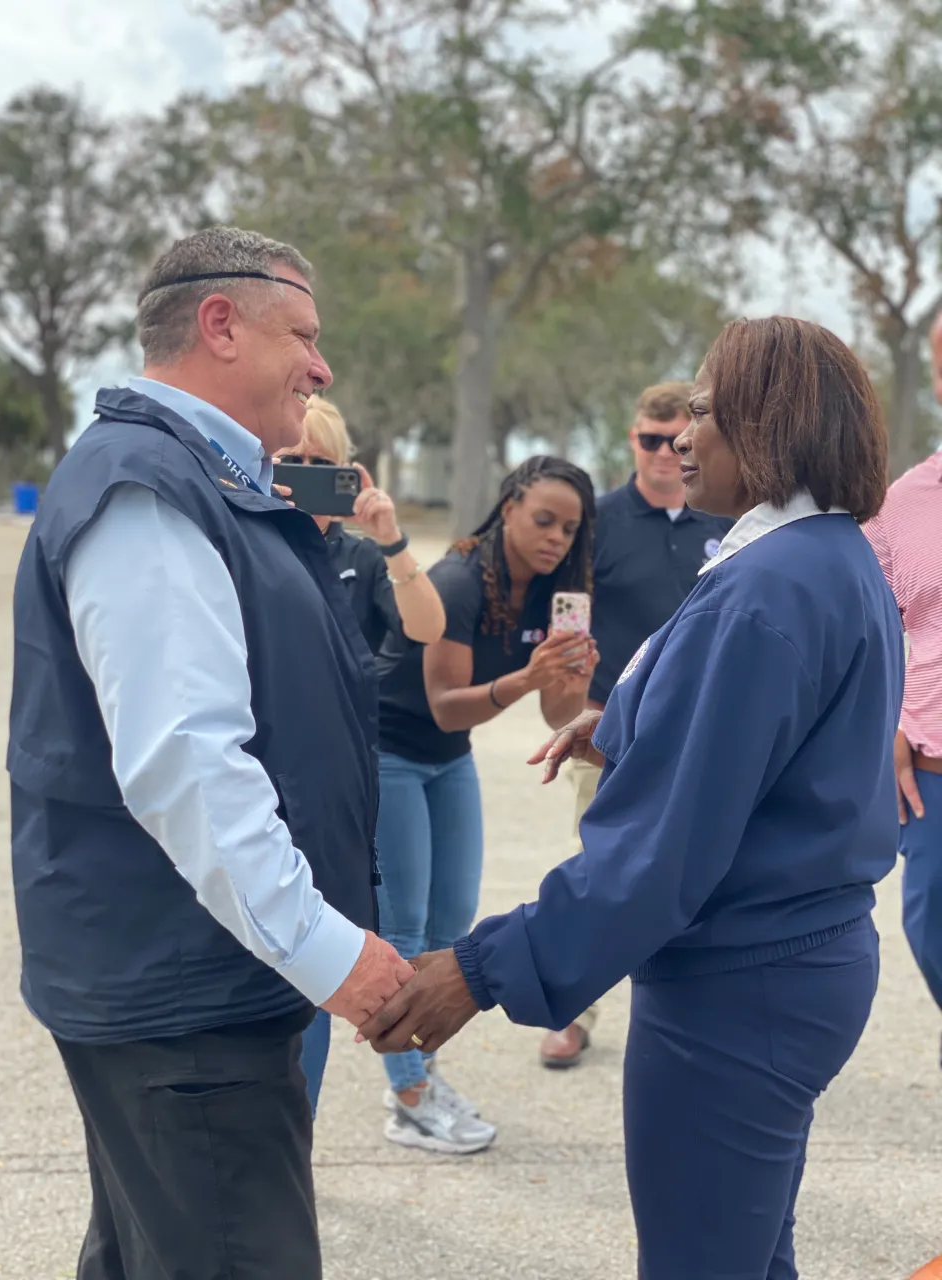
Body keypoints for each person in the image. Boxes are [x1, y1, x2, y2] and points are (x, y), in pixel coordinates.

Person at [360, 317, 905, 1279]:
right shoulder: (830, 556)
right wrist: (631, 729)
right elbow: (788, 748)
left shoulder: (766, 587)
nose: (682, 437)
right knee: (745, 1253)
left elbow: (664, 853)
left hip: (741, 982)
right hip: (797, 961)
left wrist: (481, 970)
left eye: (702, 411)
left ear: (768, 419)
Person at [7, 225, 414, 1280]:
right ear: (220, 324)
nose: (321, 366)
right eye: (304, 335)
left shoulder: (227, 481)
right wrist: (335, 951)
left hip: (194, 979)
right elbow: (189, 763)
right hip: (185, 1000)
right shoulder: (146, 487)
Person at [373, 455, 598, 1153]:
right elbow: (443, 707)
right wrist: (527, 677)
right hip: (389, 751)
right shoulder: (459, 580)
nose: (556, 536)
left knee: (449, 923)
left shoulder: (554, 592)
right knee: (405, 929)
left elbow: (554, 711)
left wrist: (567, 676)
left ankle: (418, 1072)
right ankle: (410, 1097)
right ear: (507, 509)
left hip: (448, 760)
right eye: (543, 520)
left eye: (569, 527)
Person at [540, 381, 734, 1069]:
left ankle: (701, 1015)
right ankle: (572, 1013)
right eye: (649, 439)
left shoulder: (728, 522)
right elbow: (568, 615)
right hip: (611, 730)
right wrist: (566, 699)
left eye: (674, 439)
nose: (662, 452)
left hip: (703, 730)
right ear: (633, 440)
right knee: (601, 873)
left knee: (709, 873)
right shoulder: (597, 523)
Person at [275, 396, 446, 1116]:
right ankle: (297, 1130)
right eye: (294, 462)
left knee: (356, 937)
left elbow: (427, 627)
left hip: (352, 778)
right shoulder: (248, 539)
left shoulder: (356, 553)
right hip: (272, 778)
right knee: (289, 959)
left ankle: (404, 1088)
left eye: (324, 466)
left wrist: (390, 536)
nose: (307, 477)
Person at [863, 315, 942, 1033]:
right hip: (933, 774)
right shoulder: (896, 506)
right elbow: (867, 632)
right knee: (930, 930)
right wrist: (885, 722)